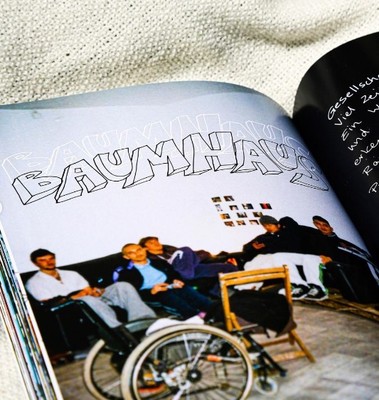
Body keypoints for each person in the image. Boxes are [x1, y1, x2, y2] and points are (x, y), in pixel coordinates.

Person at [26, 249, 157, 331]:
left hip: (92, 298)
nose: (49, 262)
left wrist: (96, 291)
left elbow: (87, 288)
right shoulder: (34, 282)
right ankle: (117, 329)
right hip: (71, 307)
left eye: (51, 258)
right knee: (86, 298)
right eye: (43, 260)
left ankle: (144, 319)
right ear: (36, 263)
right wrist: (77, 296)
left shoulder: (71, 273)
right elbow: (48, 303)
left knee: (121, 285)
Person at [113, 243, 213, 319]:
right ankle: (195, 317)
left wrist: (176, 280)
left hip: (170, 286)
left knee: (185, 289)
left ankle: (212, 310)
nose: (137, 254)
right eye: (131, 253)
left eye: (139, 250)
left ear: (144, 250)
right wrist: (152, 291)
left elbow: (173, 274)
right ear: (126, 257)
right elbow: (129, 293)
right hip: (152, 294)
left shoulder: (159, 262)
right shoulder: (125, 272)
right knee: (168, 295)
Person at [242, 216, 328, 301]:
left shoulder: (289, 232)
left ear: (278, 225)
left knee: (273, 258)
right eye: (265, 226)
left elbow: (295, 245)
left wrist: (324, 254)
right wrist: (253, 247)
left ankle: (305, 286)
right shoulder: (263, 237)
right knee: (254, 262)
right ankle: (248, 288)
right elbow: (246, 248)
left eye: (269, 225)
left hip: (286, 258)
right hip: (271, 259)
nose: (267, 227)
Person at [138, 236, 239, 296]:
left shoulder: (171, 250)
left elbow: (191, 255)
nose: (156, 243)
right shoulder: (149, 258)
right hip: (175, 272)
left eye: (156, 241)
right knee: (185, 249)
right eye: (151, 243)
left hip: (190, 269)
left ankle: (219, 291)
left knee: (228, 267)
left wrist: (216, 256)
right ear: (145, 248)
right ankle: (186, 273)